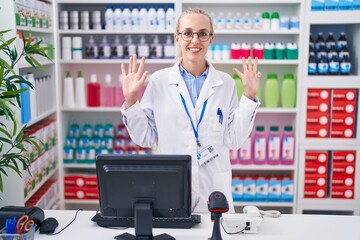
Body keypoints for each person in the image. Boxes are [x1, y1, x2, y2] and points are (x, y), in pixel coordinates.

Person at [120, 8, 261, 213]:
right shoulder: (159, 81)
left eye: (202, 33)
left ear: (211, 39)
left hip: (213, 189)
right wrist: (130, 99)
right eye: (187, 33)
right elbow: (146, 138)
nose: (195, 40)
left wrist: (248, 95)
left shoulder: (226, 83)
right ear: (177, 38)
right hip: (170, 187)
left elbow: (233, 140)